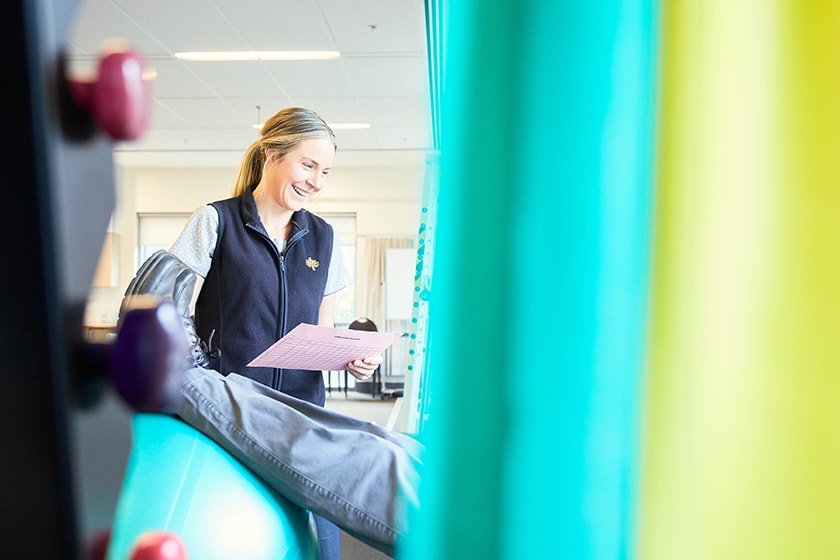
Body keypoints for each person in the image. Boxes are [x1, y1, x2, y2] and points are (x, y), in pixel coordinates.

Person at [161, 107, 382, 559]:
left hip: (302, 415)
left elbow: (323, 332)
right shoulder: (215, 221)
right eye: (307, 165)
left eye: (325, 171)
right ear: (271, 154)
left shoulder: (324, 238)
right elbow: (165, 309)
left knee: (320, 546)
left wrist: (353, 359)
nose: (316, 181)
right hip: (232, 410)